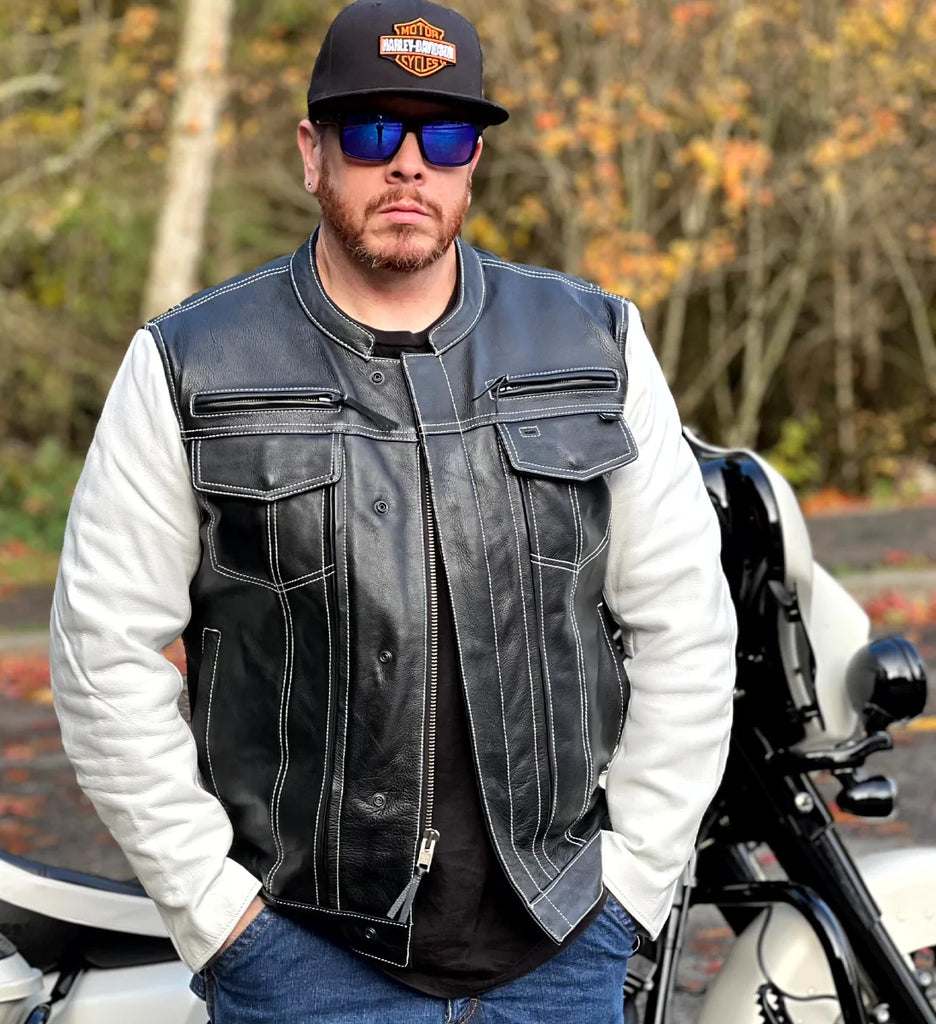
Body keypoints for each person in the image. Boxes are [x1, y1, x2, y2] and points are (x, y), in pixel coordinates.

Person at [50, 0, 737, 1020]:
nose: (409, 164)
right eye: (373, 131)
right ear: (312, 152)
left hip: (559, 952)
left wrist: (629, 886)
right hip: (305, 962)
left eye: (444, 135)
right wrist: (219, 917)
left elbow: (686, 624)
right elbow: (102, 652)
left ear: (472, 163)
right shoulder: (191, 363)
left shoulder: (594, 343)